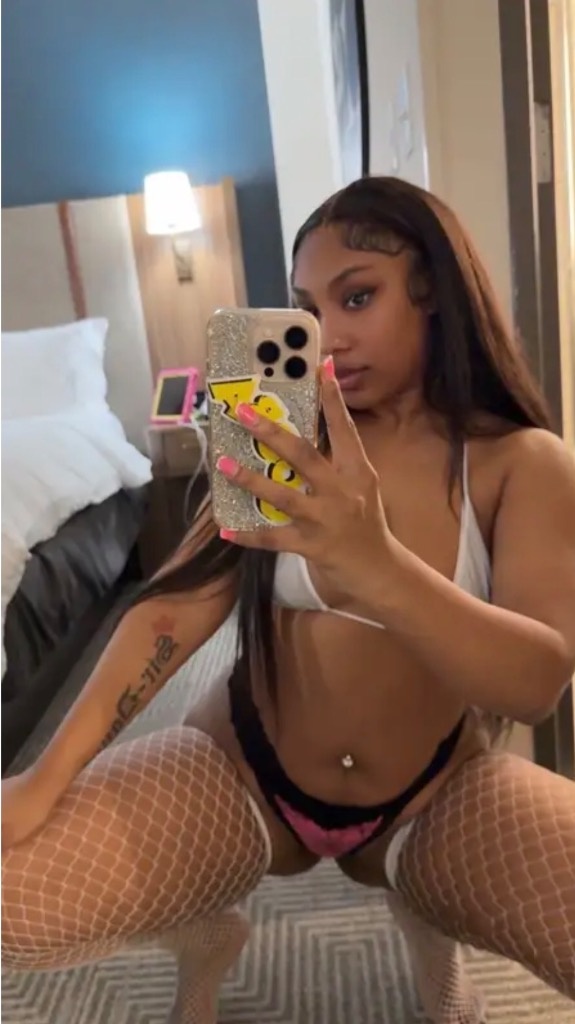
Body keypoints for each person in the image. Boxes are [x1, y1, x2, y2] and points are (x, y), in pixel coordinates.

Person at [3, 177, 575, 1024]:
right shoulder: (278, 439)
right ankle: (203, 931)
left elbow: (533, 684)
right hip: (245, 774)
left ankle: (429, 922)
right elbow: (170, 611)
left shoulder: (519, 462)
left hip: (430, 797)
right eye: (307, 309)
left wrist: (376, 564)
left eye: (357, 296)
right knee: (10, 904)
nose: (329, 335)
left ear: (434, 292)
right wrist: (43, 779)